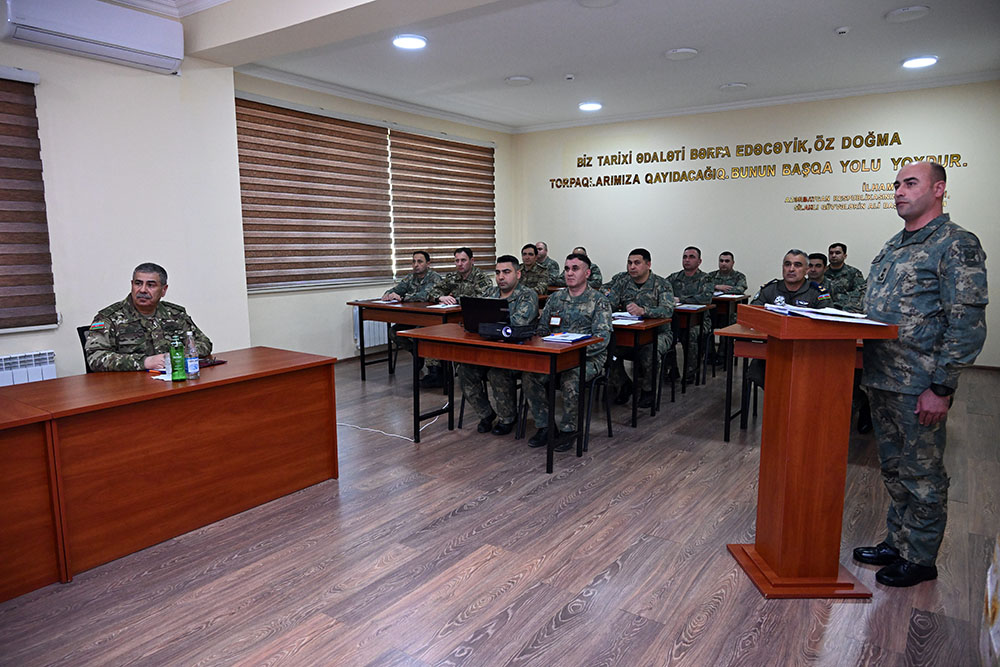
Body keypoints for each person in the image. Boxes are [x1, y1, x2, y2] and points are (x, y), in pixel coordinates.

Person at [854, 161, 987, 588]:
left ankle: (921, 557)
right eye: (896, 185)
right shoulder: (894, 245)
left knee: (923, 474)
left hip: (920, 384)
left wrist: (942, 387)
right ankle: (899, 541)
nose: (898, 192)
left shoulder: (955, 243)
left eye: (910, 183)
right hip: (881, 378)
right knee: (893, 469)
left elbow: (966, 322)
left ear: (939, 190)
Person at [524, 253, 612, 450]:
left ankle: (569, 429)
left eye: (575, 269)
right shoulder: (555, 298)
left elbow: (602, 340)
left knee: (571, 378)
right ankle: (546, 426)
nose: (569, 273)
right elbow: (542, 330)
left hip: (588, 359)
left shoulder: (599, 301)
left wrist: (571, 353)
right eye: (567, 269)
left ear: (587, 273)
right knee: (530, 375)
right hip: (556, 355)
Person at [456, 255, 539, 435]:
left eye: (506, 272)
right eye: (498, 272)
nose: (501, 277)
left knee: (497, 371)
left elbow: (517, 323)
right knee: (464, 370)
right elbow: (474, 321)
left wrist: (489, 326)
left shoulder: (527, 295)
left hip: (516, 354)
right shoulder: (489, 294)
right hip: (488, 349)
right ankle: (486, 414)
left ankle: (507, 418)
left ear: (518, 274)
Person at [85, 262, 212, 372]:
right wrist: (144, 362)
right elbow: (95, 358)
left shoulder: (176, 315)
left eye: (150, 285)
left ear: (164, 290)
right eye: (138, 283)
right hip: (128, 387)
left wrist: (178, 355)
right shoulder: (109, 318)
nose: (143, 290)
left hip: (170, 381)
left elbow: (204, 343)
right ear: (132, 284)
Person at [747, 250, 830, 387]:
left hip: (807, 350)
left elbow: (826, 320)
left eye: (797, 265)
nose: (791, 269)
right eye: (787, 264)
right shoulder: (770, 290)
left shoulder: (817, 292)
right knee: (757, 372)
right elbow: (754, 313)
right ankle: (777, 401)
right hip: (773, 346)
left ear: (807, 270)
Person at [604, 248, 674, 408]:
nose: (632, 267)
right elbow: (610, 303)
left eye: (637, 263)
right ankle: (623, 384)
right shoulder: (622, 282)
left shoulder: (661, 284)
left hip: (659, 334)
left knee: (650, 350)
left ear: (648, 264)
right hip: (628, 333)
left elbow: (667, 310)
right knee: (607, 349)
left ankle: (648, 390)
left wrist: (644, 311)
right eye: (629, 263)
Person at [424, 247, 494, 387]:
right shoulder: (452, 277)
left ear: (472, 261)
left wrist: (455, 299)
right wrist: (440, 297)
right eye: (457, 261)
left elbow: (481, 299)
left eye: (463, 260)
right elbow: (431, 291)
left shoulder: (481, 278)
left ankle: (454, 371)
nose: (460, 264)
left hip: (471, 320)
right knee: (430, 330)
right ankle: (436, 372)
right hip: (451, 317)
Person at [383, 251, 443, 369]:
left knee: (421, 334)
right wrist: (388, 294)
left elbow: (425, 295)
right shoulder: (410, 277)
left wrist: (402, 298)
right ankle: (417, 354)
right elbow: (397, 289)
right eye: (414, 261)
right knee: (394, 332)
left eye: (420, 262)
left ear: (428, 264)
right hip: (413, 318)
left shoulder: (434, 277)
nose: (416, 265)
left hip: (430, 320)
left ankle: (434, 369)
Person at [667, 246, 714, 382]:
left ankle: (690, 371)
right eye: (685, 257)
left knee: (690, 333)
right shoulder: (674, 277)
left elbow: (705, 298)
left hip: (701, 320)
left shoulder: (706, 279)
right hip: (676, 319)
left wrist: (681, 299)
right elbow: (661, 291)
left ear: (699, 261)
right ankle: (672, 368)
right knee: (665, 331)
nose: (687, 260)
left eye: (691, 257)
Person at [708, 251, 749, 329]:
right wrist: (716, 286)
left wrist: (721, 290)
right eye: (721, 261)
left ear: (733, 263)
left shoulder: (739, 276)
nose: (723, 263)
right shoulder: (711, 276)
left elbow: (740, 289)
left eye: (727, 261)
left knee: (729, 319)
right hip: (713, 306)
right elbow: (703, 288)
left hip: (732, 309)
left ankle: (726, 340)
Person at [825, 243, 867, 313]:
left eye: (837, 253)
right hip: (824, 308)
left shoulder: (853, 273)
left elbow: (859, 295)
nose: (833, 255)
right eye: (831, 253)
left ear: (845, 256)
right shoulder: (822, 272)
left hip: (845, 310)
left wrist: (839, 299)